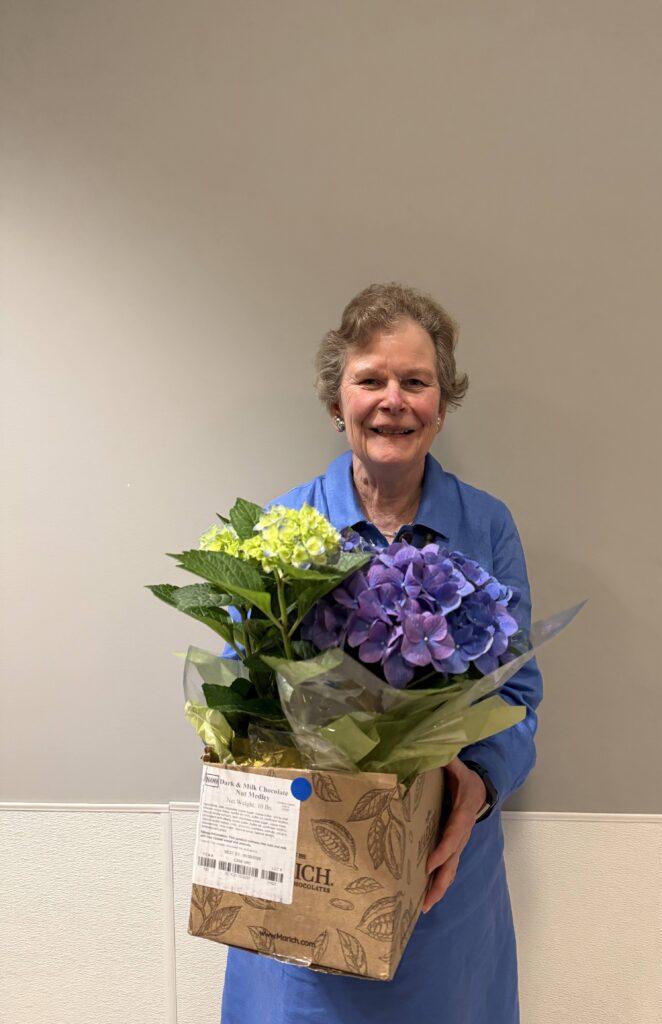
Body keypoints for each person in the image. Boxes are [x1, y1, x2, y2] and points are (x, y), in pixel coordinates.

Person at [221, 283, 543, 1024]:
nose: (392, 399)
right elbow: (245, 702)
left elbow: (518, 695)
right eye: (371, 380)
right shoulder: (286, 526)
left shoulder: (486, 525)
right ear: (339, 401)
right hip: (311, 878)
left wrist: (476, 787)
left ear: (442, 401)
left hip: (440, 880)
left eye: (415, 381)